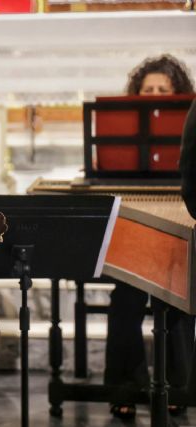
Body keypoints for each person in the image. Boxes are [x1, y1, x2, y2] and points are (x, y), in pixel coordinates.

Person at [104, 54, 195, 419]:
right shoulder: (125, 126)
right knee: (125, 296)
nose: (155, 95)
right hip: (134, 214)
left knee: (178, 295)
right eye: (148, 90)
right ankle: (123, 385)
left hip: (180, 215)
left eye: (163, 90)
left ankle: (180, 385)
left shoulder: (190, 121)